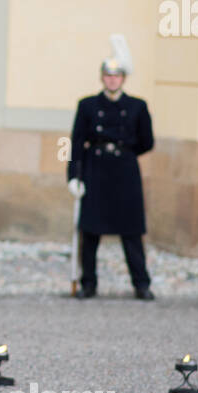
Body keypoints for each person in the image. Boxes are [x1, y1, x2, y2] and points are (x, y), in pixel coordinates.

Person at [67, 43, 155, 300]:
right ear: (102, 77)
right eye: (108, 75)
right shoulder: (87, 106)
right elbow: (76, 143)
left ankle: (141, 283)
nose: (112, 80)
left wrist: (125, 153)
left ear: (123, 79)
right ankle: (89, 283)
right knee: (90, 232)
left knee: (131, 232)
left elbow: (147, 142)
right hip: (95, 170)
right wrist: (73, 176)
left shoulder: (138, 106)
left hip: (125, 173)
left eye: (116, 76)